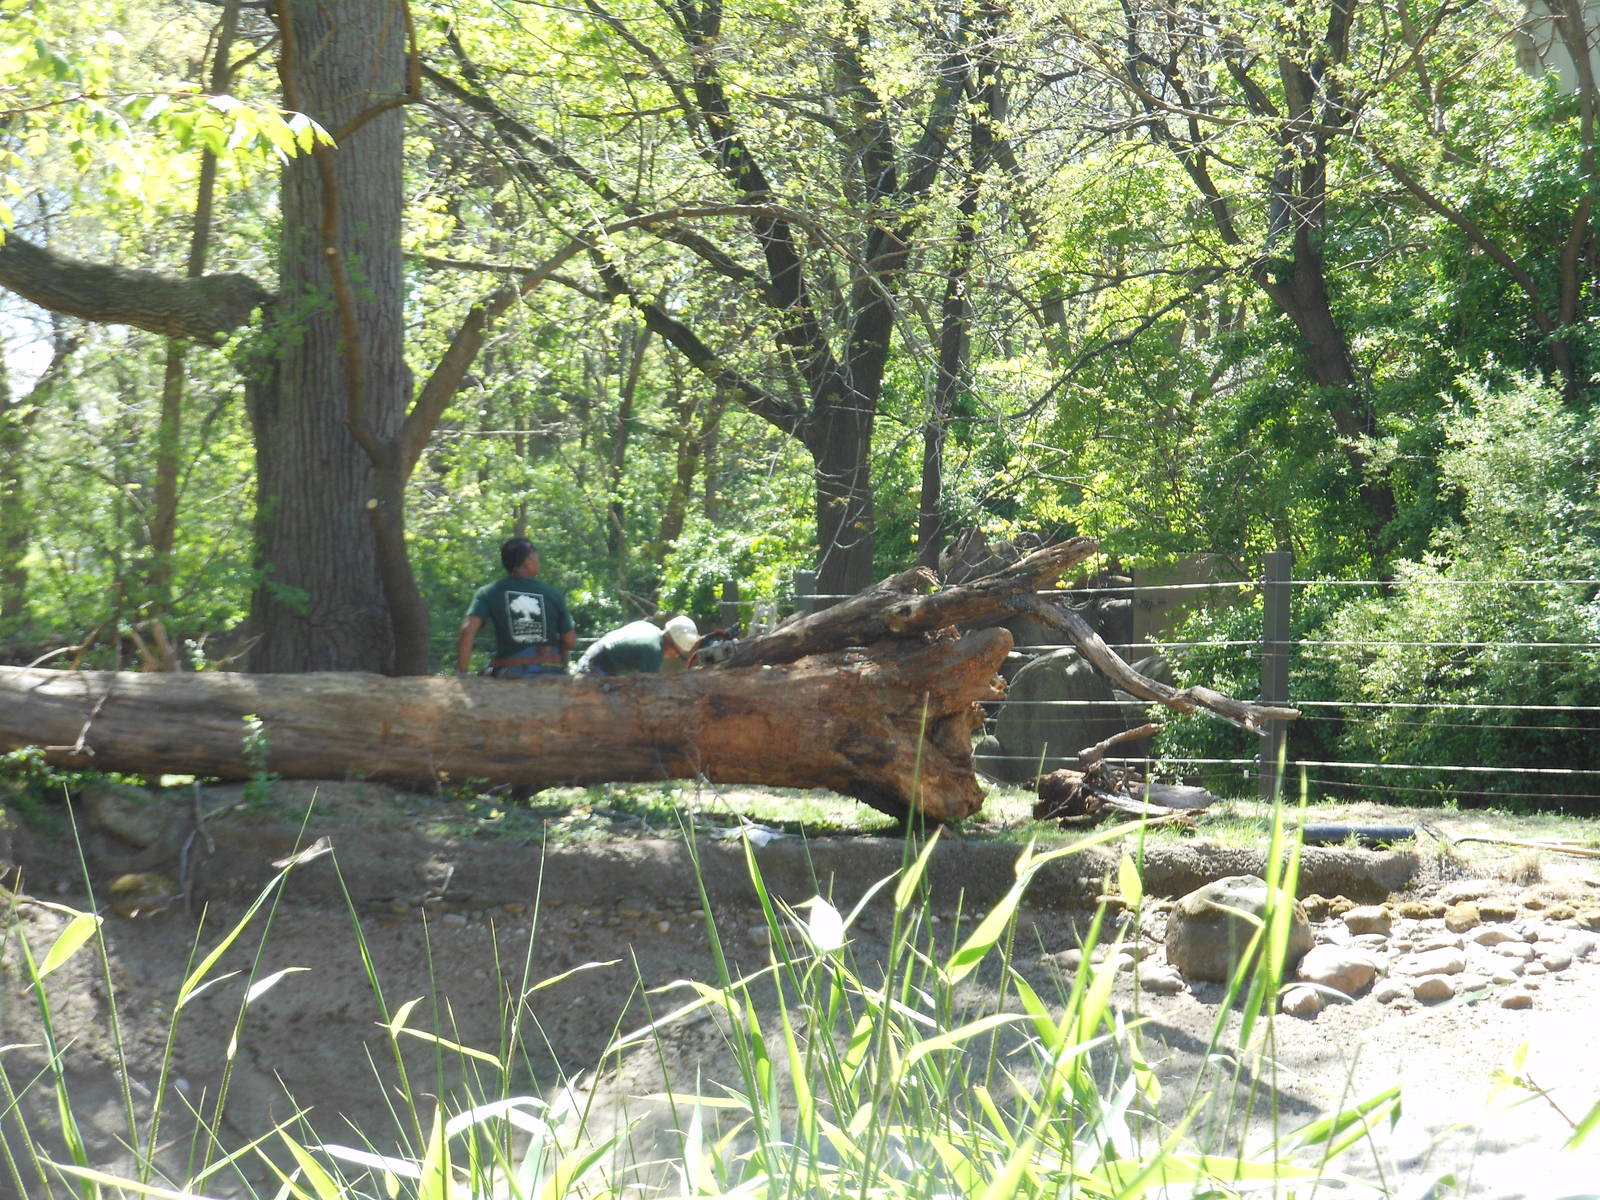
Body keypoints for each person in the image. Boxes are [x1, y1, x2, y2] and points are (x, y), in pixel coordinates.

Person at [456, 538, 576, 678]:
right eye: (536, 557)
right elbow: (570, 642)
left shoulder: (489, 592)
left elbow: (467, 630)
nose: (538, 561)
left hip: (510, 674)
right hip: (551, 673)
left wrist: (463, 673)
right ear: (528, 561)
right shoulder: (553, 594)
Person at [575, 614, 699, 676]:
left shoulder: (648, 627)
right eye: (676, 652)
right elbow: (649, 688)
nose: (674, 656)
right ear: (669, 639)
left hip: (592, 656)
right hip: (597, 667)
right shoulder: (654, 650)